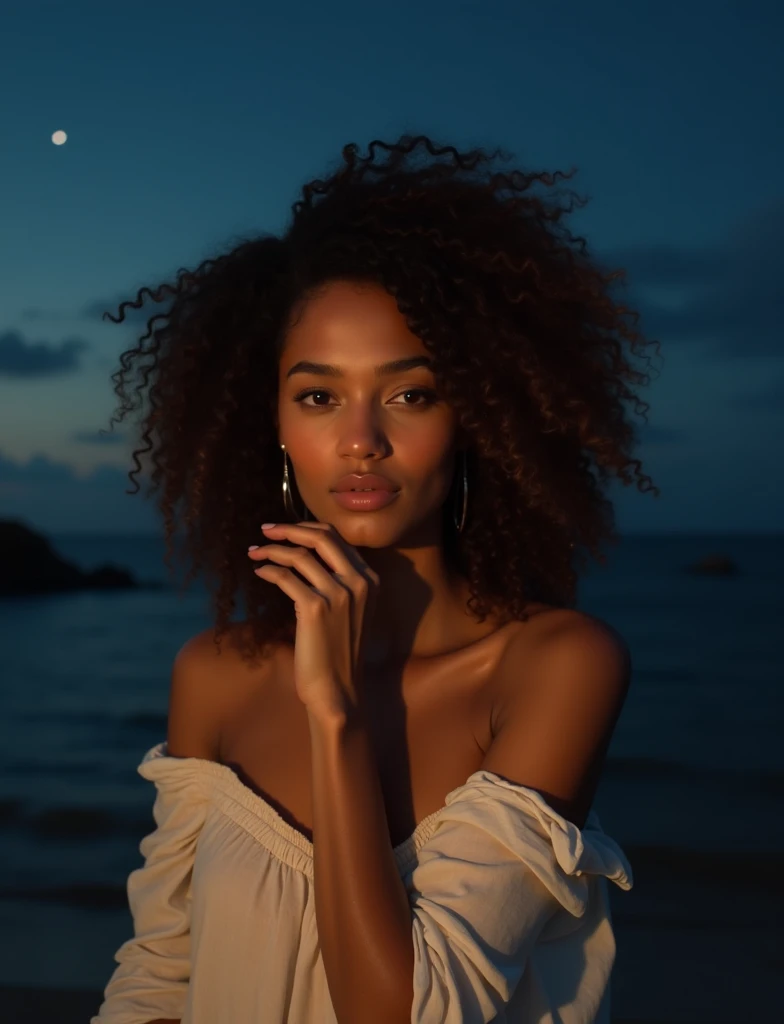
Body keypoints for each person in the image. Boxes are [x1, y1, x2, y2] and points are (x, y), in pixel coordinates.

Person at [91, 133, 659, 1023]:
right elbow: (158, 981)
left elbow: (406, 1013)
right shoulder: (213, 675)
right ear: (272, 421)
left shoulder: (553, 667)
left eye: (411, 393)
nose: (361, 439)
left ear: (478, 415)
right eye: (319, 396)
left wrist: (337, 714)